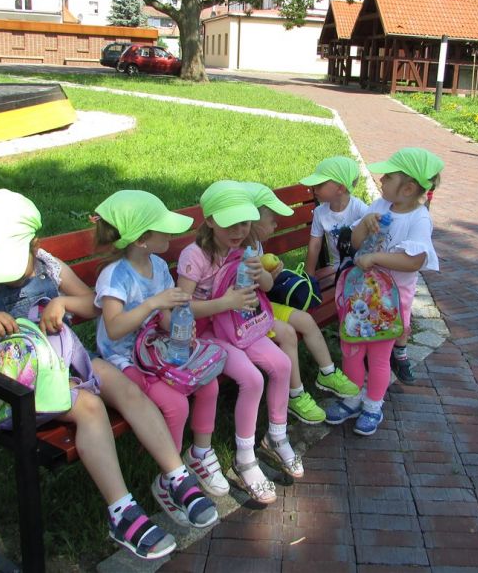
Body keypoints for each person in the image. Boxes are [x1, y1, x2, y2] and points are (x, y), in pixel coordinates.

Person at [0, 189, 216, 561]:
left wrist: (62, 302)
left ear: (34, 246)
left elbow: (92, 305)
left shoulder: (49, 266)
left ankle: (177, 476)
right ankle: (121, 511)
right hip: (24, 383)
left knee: (124, 388)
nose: (5, 275)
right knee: (90, 406)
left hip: (66, 361)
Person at [91, 190, 230, 523]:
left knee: (208, 384)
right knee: (176, 405)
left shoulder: (156, 265)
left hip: (157, 348)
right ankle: (169, 479)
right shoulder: (115, 276)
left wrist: (180, 328)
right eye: (163, 228)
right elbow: (114, 329)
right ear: (141, 240)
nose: (171, 233)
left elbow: (166, 316)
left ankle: (198, 454)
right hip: (124, 359)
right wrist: (152, 304)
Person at [176, 181, 299, 504]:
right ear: (210, 220)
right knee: (252, 378)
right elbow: (181, 308)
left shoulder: (244, 249)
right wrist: (225, 303)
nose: (238, 231)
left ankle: (276, 436)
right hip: (206, 333)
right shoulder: (195, 256)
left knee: (282, 363)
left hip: (238, 324)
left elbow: (266, 287)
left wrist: (262, 273)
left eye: (244, 223)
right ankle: (245, 459)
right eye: (230, 223)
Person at [324, 148, 444, 436]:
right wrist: (365, 226)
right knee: (351, 350)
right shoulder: (379, 205)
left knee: (378, 357)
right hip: (360, 296)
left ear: (408, 188)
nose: (381, 179)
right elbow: (355, 242)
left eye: (388, 177)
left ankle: (373, 405)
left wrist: (377, 258)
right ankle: (352, 398)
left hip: (390, 305)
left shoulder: (419, 219)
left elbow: (415, 261)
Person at [242, 182, 359, 425]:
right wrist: (267, 278)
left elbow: (265, 287)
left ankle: (327, 373)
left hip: (261, 303)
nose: (276, 226)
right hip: (247, 312)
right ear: (252, 222)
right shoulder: (240, 250)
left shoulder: (255, 245)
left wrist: (271, 274)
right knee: (288, 333)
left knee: (305, 320)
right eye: (272, 221)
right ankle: (295, 395)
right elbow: (252, 290)